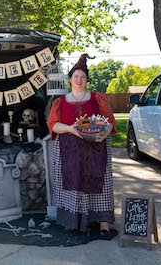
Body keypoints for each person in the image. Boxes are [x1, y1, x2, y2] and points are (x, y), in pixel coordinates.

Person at [46, 53, 117, 237]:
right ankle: (73, 222)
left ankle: (103, 223)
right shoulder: (60, 102)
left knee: (98, 182)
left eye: (83, 77)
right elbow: (53, 125)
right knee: (73, 182)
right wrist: (71, 129)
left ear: (86, 80)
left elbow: (109, 121)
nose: (79, 80)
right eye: (76, 76)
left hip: (95, 147)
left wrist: (104, 133)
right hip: (70, 148)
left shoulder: (97, 98)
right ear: (70, 79)